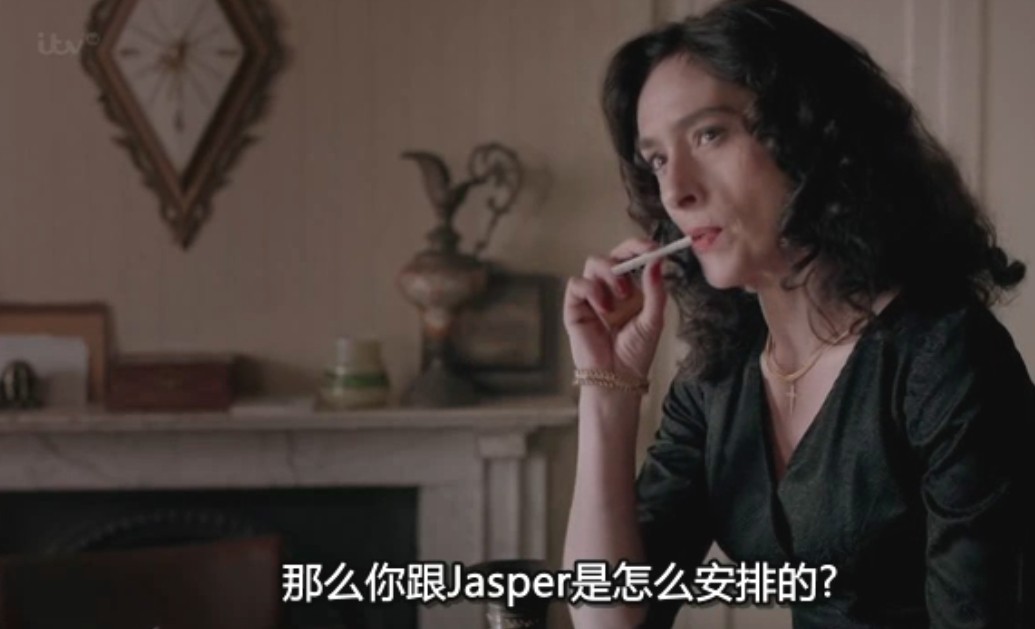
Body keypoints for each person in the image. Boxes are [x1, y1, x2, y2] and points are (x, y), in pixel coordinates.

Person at [561, 0, 1035, 627]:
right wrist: (608, 392)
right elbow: (609, 619)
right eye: (657, 159)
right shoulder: (718, 379)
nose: (676, 190)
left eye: (709, 134)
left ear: (810, 135)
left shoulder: (945, 359)